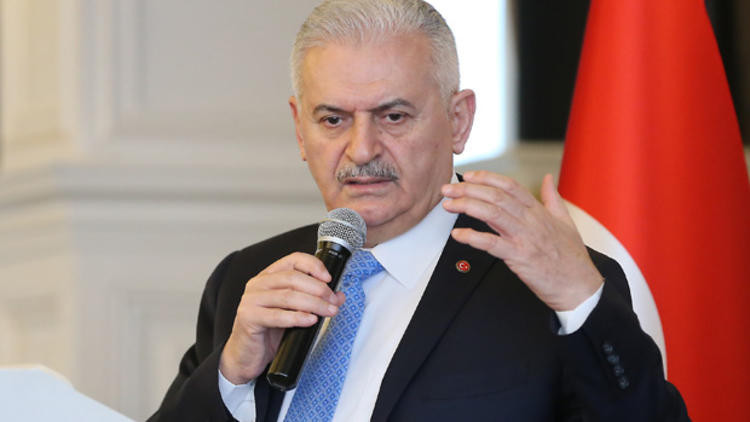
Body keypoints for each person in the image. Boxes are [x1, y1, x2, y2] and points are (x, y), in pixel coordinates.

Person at [149, 0, 689, 421]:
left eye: (394, 116)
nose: (362, 150)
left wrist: (580, 301)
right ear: (299, 129)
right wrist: (231, 375)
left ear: (458, 121)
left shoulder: (546, 287)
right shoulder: (245, 279)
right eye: (333, 120)